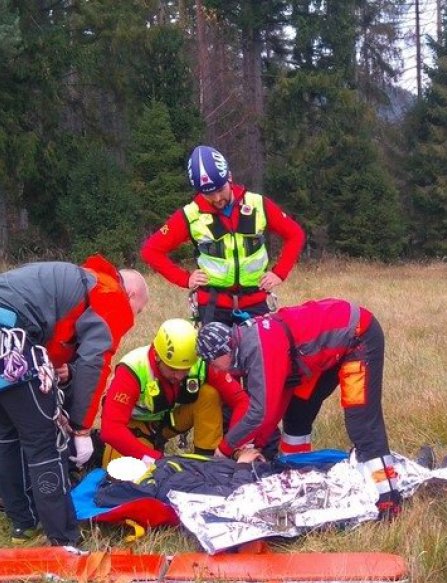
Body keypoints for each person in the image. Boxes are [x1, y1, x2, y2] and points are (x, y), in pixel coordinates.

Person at [195, 299, 401, 518]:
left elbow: (259, 412)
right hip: (317, 354)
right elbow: (274, 403)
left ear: (223, 352)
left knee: (361, 423)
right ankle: (297, 474)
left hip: (358, 335)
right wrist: (259, 446)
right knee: (296, 416)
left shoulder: (258, 347)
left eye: (212, 363)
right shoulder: (245, 346)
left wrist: (225, 449)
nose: (215, 369)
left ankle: (388, 499)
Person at [0, 255, 148, 546]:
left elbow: (56, 343)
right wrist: (81, 429)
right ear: (130, 294)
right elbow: (95, 363)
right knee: (44, 441)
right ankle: (63, 537)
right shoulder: (111, 293)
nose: (133, 319)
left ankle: (23, 524)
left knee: (7, 434)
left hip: (9, 329)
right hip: (10, 337)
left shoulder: (80, 282)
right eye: (138, 310)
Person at [140, 145, 306, 325]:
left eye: (220, 190)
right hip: (213, 307)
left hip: (255, 303)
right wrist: (185, 279)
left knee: (263, 344)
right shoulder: (190, 215)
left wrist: (279, 273)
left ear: (230, 177)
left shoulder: (257, 204)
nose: (217, 198)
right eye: (209, 194)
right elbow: (151, 251)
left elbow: (295, 234)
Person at [99, 318, 249, 467]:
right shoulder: (133, 370)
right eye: (172, 369)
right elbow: (111, 429)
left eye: (185, 369)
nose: (179, 376)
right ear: (157, 355)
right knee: (120, 472)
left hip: (170, 420)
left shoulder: (200, 361)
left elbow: (241, 401)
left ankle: (208, 462)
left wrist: (230, 446)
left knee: (209, 394)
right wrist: (156, 460)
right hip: (135, 427)